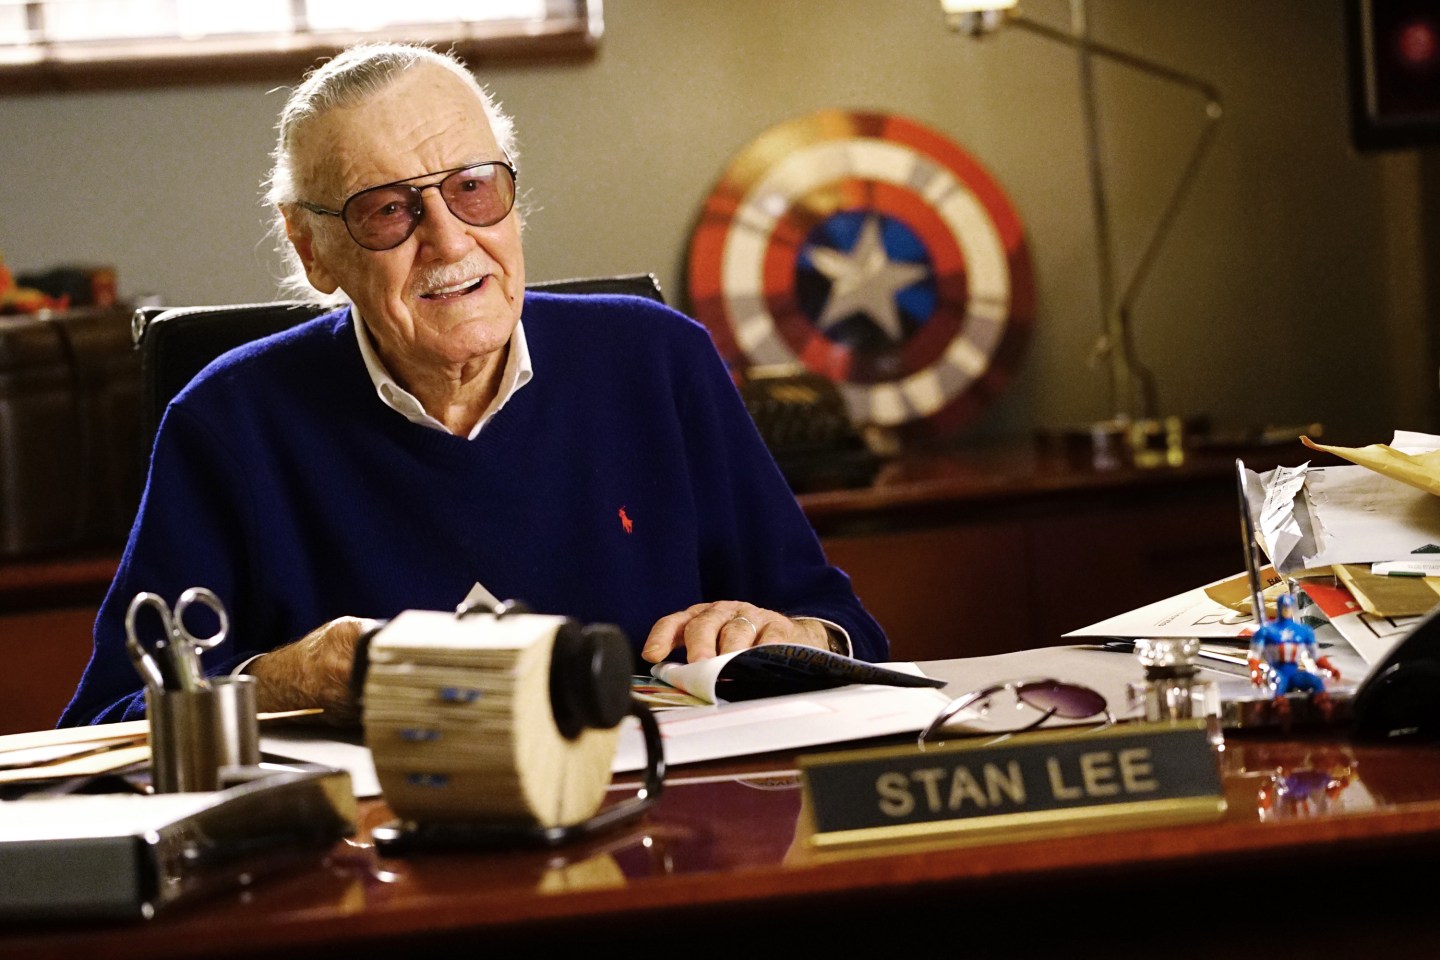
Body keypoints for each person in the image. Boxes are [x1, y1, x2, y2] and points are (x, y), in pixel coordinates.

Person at [59, 42, 887, 728]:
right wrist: (279, 683)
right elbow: (102, 726)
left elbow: (850, 634)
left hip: (657, 844)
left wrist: (783, 633)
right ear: (313, 251)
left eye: (472, 188)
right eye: (388, 211)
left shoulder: (660, 361)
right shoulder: (226, 422)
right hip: (374, 886)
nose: (450, 242)